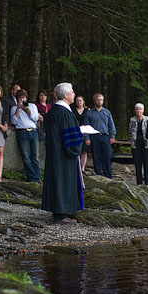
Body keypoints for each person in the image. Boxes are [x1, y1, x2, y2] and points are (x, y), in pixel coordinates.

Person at [41, 82, 84, 224]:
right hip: (64, 155)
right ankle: (61, 215)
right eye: (72, 92)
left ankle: (57, 212)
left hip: (54, 153)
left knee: (56, 180)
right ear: (66, 95)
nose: (74, 94)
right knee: (62, 181)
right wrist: (78, 139)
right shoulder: (65, 114)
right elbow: (71, 138)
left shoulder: (53, 111)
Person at [11, 89, 41, 183]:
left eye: (23, 98)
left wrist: (27, 109)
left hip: (33, 131)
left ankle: (37, 177)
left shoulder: (32, 106)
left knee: (35, 156)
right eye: (20, 98)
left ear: (26, 98)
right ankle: (31, 178)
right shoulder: (14, 108)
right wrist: (18, 109)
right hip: (22, 132)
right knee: (26, 157)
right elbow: (13, 122)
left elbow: (35, 118)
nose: (22, 100)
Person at [83, 93, 116, 178]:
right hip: (94, 136)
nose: (99, 101)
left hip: (105, 136)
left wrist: (112, 136)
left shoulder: (107, 112)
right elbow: (86, 126)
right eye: (98, 100)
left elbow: (111, 125)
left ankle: (108, 175)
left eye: (101, 99)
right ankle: (98, 174)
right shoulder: (89, 113)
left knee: (107, 156)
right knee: (96, 156)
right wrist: (87, 138)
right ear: (94, 101)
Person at [129, 103, 148, 185]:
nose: (139, 111)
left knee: (147, 163)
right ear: (135, 110)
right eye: (137, 109)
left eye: (140, 109)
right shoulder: (132, 120)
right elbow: (130, 130)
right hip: (136, 143)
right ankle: (139, 183)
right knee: (137, 163)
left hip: (146, 144)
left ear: (143, 110)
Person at [72, 95, 90, 171]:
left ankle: (82, 168)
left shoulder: (87, 110)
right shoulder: (73, 111)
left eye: (80, 100)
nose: (79, 102)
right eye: (77, 101)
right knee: (77, 150)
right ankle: (77, 167)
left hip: (85, 132)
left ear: (83, 102)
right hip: (76, 131)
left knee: (84, 150)